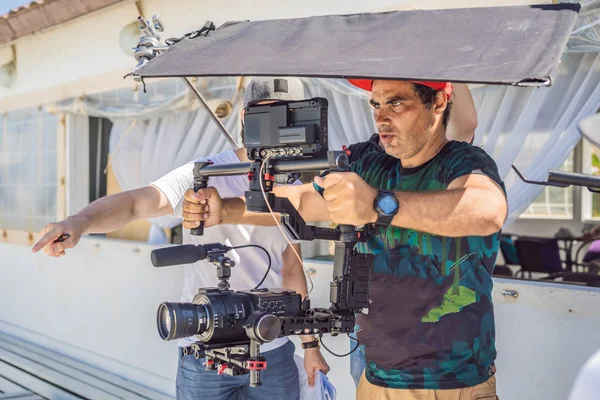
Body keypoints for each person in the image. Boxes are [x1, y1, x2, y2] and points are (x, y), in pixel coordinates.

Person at [183, 78, 508, 399]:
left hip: (455, 384)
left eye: (396, 103)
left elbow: (487, 210)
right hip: (376, 377)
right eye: (375, 104)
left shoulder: (464, 161)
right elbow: (301, 202)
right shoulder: (366, 160)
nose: (382, 118)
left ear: (437, 102)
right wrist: (225, 209)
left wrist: (378, 204)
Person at [31, 77, 330, 400]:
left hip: (273, 346)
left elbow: (292, 270)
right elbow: (136, 203)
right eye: (263, 115)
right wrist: (79, 221)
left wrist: (310, 346)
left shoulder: (295, 188)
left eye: (283, 117)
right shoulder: (204, 173)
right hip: (205, 348)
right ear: (244, 118)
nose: (273, 128)